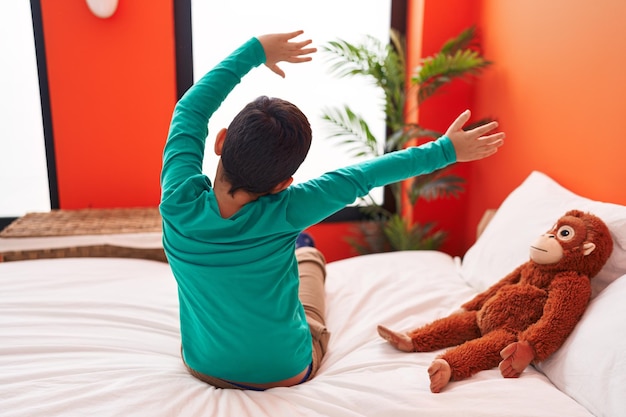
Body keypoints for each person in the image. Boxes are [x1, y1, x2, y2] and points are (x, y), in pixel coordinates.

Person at [159, 30, 505, 391]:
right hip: (285, 370)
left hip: (204, 366)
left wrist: (256, 51)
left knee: (289, 260)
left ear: (220, 141)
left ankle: (304, 251)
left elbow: (191, 109)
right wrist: (445, 151)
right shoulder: (289, 209)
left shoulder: (177, 198)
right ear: (283, 184)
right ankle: (308, 254)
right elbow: (362, 177)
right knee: (308, 285)